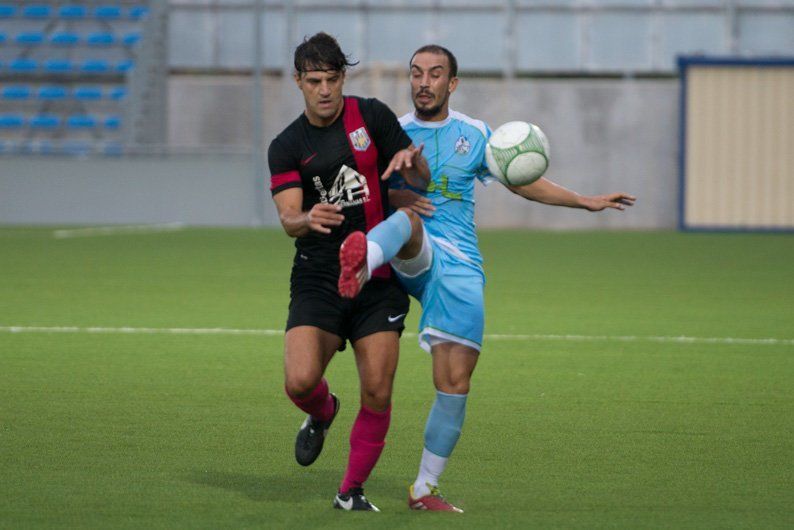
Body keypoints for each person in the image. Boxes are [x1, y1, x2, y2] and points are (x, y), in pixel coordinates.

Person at [338, 44, 636, 512]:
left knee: (455, 381)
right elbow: (369, 193)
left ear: (451, 84)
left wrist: (584, 201)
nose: (424, 82)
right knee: (411, 224)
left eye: (435, 74)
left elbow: (517, 176)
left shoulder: (476, 134)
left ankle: (424, 489)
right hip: (409, 251)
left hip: (458, 266)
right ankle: (360, 259)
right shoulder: (392, 132)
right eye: (416, 73)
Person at [267, 32, 429, 512]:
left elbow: (417, 181)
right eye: (314, 80)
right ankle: (324, 411)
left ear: (343, 78)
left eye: (332, 79)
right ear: (298, 81)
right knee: (299, 382)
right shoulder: (287, 145)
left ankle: (350, 491)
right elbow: (288, 218)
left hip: (377, 278)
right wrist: (306, 219)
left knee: (378, 390)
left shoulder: (372, 116)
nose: (324, 90)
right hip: (319, 276)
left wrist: (413, 163)